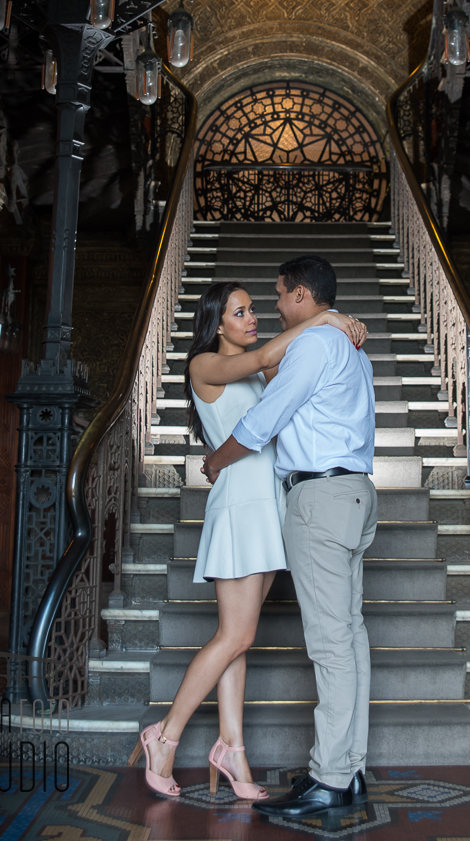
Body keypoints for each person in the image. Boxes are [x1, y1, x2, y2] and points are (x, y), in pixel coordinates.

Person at [127, 279, 366, 803]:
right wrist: (324, 319)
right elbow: (264, 356)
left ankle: (232, 748)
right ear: (216, 324)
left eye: (254, 308)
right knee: (234, 636)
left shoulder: (260, 373)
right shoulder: (205, 365)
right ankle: (163, 736)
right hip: (239, 507)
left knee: (239, 637)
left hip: (270, 507)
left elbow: (284, 388)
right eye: (240, 311)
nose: (252, 317)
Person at [203, 255, 378, 819]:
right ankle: (350, 769)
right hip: (355, 492)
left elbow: (263, 422)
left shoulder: (314, 345)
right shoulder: (351, 347)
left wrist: (215, 461)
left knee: (331, 644)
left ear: (301, 294)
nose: (274, 307)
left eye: (279, 295)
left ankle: (329, 778)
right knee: (350, 636)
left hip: (321, 499)